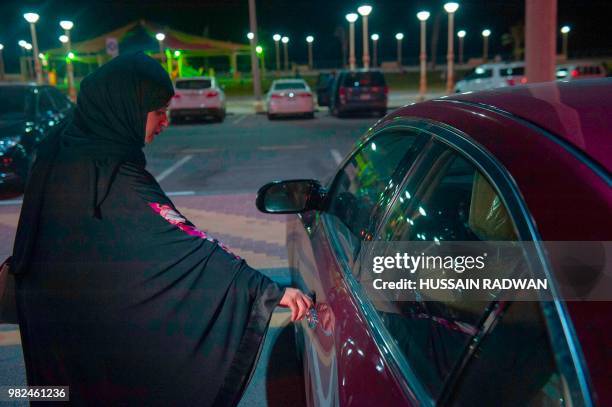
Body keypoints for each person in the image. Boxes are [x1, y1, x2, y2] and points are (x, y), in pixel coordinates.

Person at [11, 52, 312, 406]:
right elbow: (181, 241)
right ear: (128, 109)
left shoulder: (62, 147)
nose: (166, 122)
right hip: (90, 330)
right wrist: (263, 288)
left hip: (51, 319)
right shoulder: (115, 172)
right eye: (159, 112)